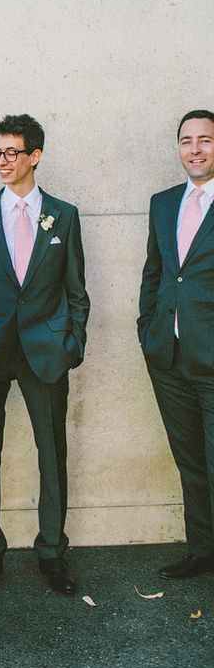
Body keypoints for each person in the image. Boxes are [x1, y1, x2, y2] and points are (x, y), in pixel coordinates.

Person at [0, 114, 89, 598]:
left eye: (12, 152)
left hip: (45, 352)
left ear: (35, 156)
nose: (3, 161)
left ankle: (53, 553)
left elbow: (76, 289)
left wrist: (71, 345)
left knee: (51, 454)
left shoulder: (64, 214)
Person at [138, 109, 214, 579]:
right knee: (190, 462)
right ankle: (202, 551)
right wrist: (148, 329)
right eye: (186, 140)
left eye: (205, 139)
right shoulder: (163, 203)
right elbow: (156, 272)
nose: (195, 149)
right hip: (169, 358)